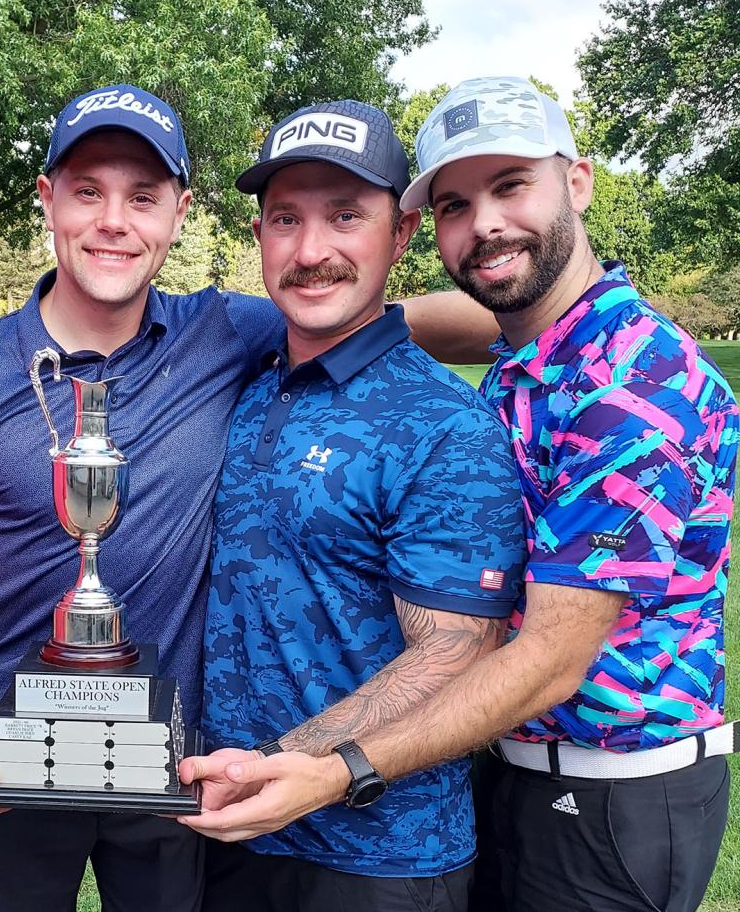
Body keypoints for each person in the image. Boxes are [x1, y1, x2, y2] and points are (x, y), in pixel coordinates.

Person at [188, 77, 739, 912]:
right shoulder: (535, 347)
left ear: (578, 182)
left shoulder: (636, 385)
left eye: (512, 185)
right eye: (457, 203)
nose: (485, 223)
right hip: (507, 768)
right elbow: (418, 317)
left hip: (612, 795)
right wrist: (354, 315)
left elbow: (550, 658)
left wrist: (338, 768)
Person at [0, 83, 286, 911]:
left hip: (163, 759)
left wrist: (513, 324)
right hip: (12, 758)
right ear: (47, 200)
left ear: (179, 213)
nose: (115, 221)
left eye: (143, 196)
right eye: (88, 191)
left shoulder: (224, 334)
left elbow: (363, 314)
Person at [176, 101, 527, 911]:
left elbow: (455, 653)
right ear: (258, 234)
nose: (312, 251)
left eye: (346, 216)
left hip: (379, 854)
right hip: (237, 829)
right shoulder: (253, 380)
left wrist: (280, 760)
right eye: (285, 219)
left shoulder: (443, 425)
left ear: (400, 235)